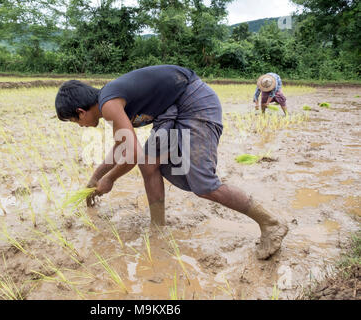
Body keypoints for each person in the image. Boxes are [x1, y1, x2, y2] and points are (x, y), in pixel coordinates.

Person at [55, 65, 288, 260]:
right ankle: (158, 226)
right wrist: (95, 178)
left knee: (204, 184)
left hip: (194, 103)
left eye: (75, 121)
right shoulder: (110, 101)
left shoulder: (109, 105)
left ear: (81, 112)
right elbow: (121, 147)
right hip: (171, 111)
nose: (81, 126)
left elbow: (132, 154)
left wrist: (109, 179)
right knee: (149, 165)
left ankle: (270, 223)